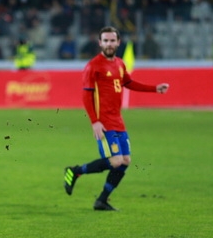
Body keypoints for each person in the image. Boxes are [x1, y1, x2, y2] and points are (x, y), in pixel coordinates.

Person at [64, 26, 169, 211]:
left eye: (112, 40)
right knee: (116, 161)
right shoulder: (93, 66)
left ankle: (102, 200)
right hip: (103, 122)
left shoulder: (120, 64)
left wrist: (154, 88)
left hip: (118, 121)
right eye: (105, 41)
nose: (109, 44)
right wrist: (94, 121)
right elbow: (86, 96)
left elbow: (128, 82)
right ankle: (75, 171)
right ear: (100, 43)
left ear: (118, 42)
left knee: (125, 161)